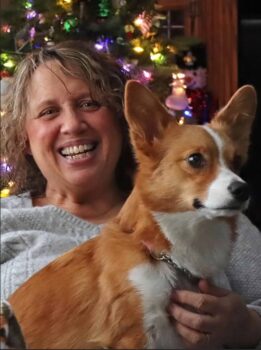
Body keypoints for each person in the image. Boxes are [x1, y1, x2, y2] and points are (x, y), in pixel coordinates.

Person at [0, 40, 260, 349]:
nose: (72, 124)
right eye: (48, 111)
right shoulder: (7, 221)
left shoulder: (213, 211)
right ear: (24, 138)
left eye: (88, 104)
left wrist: (250, 326)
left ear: (121, 120)